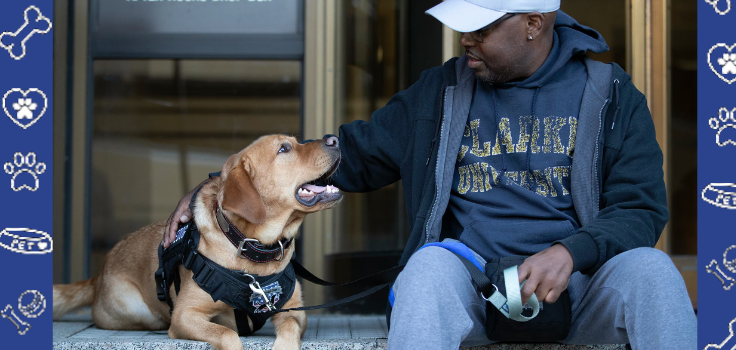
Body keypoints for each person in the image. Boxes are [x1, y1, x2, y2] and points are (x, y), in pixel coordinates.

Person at [163, 0, 697, 348]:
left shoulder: (611, 96)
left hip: (580, 293)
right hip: (472, 291)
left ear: (534, 24)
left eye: (481, 29)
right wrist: (218, 189)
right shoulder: (439, 92)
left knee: (652, 273)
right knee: (424, 269)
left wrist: (571, 253)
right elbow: (353, 152)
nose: (465, 40)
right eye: (462, 28)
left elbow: (642, 210)